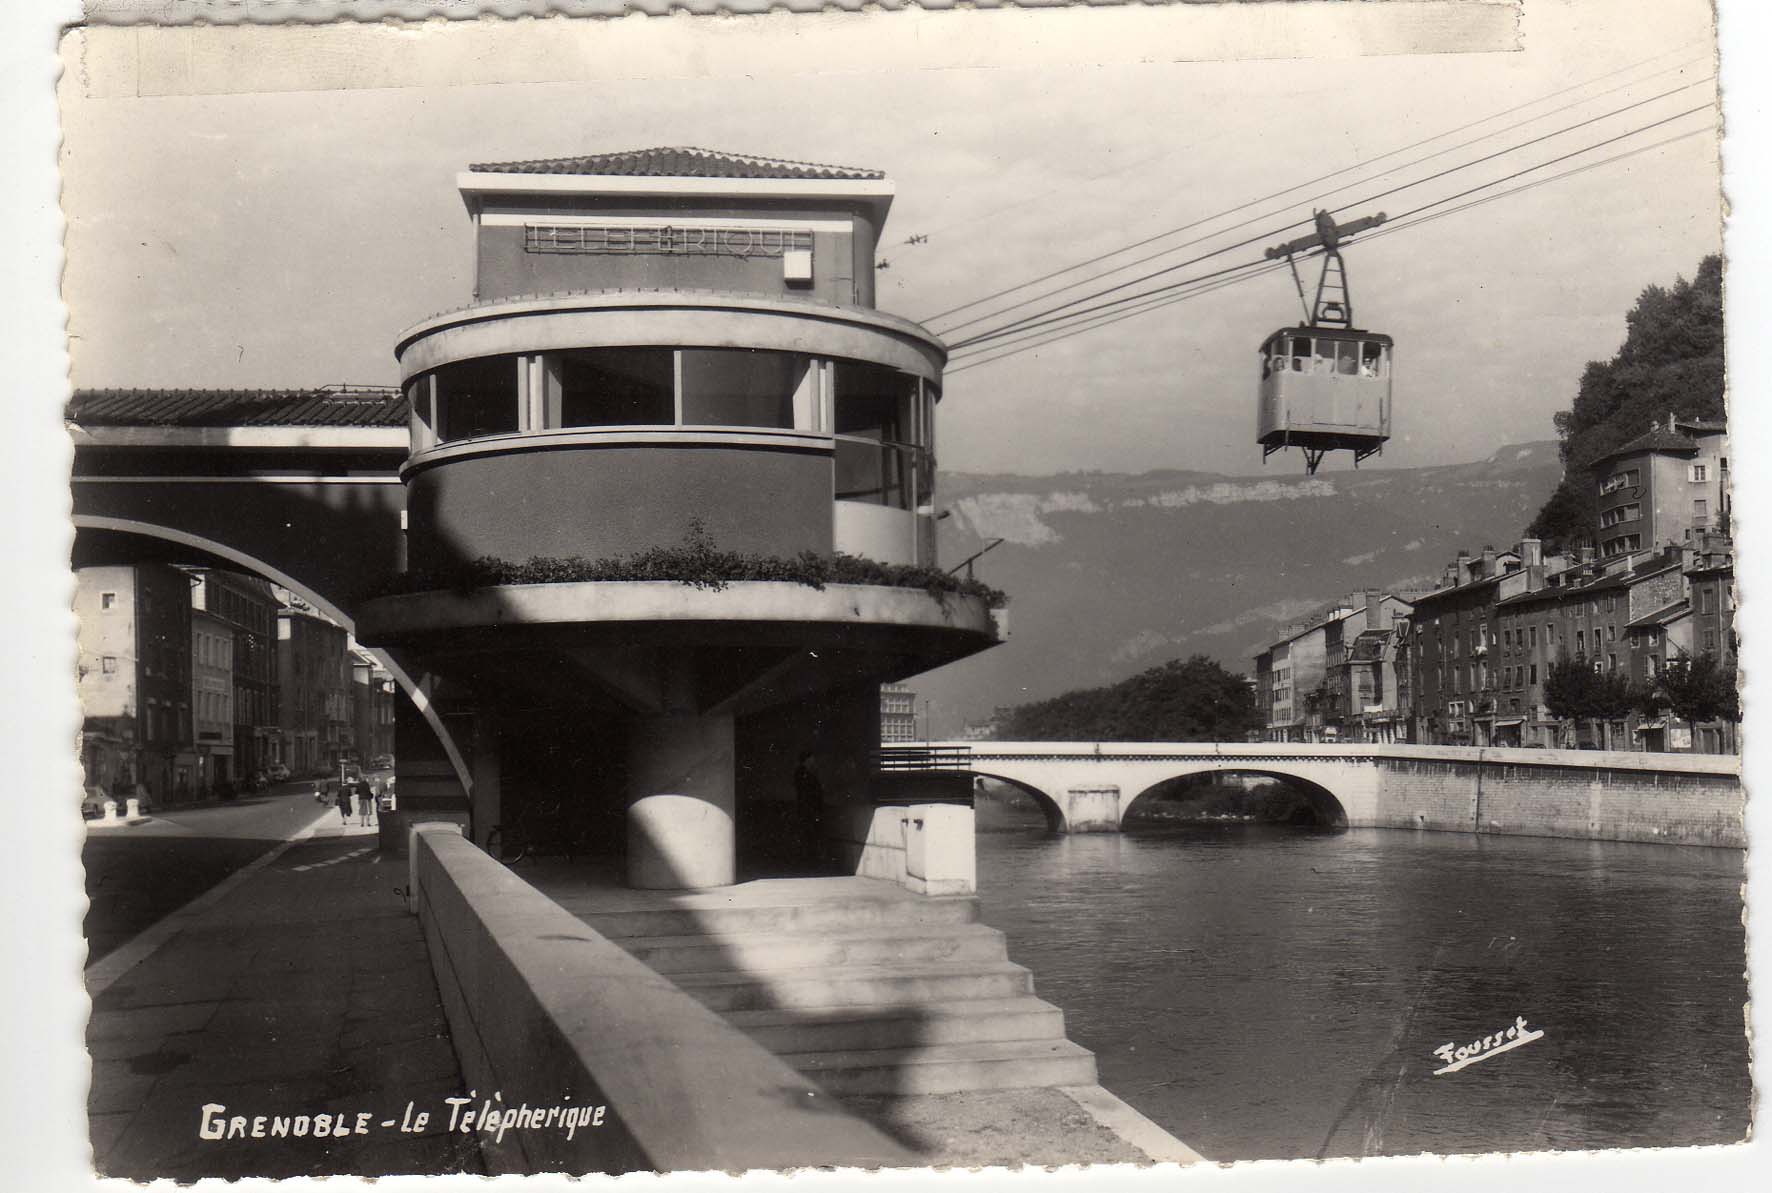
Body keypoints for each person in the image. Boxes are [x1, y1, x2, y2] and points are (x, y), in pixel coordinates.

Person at [793, 752, 825, 870]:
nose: (814, 762)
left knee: (808, 836)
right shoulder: (804, 774)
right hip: (809, 810)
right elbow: (809, 793)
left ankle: (808, 861)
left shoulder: (803, 773)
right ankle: (809, 862)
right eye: (811, 760)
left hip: (807, 810)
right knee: (809, 836)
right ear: (806, 760)